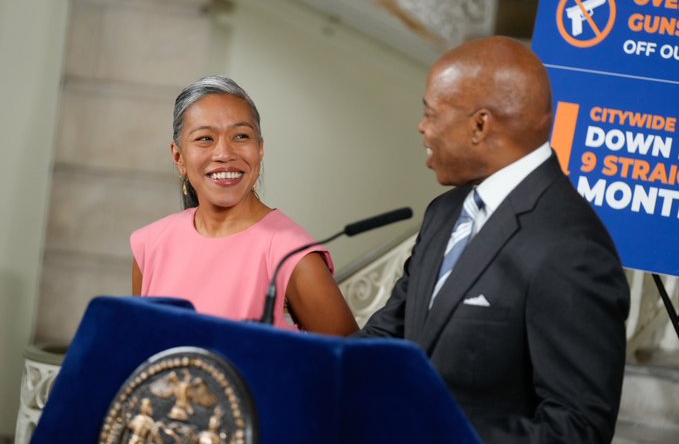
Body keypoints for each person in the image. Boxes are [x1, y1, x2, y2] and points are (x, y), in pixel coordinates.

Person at [357, 36, 630, 443]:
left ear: (480, 125)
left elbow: (577, 428)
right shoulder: (444, 212)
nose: (422, 127)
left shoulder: (572, 249)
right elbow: (388, 339)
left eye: (431, 113)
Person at [131, 76, 358, 336]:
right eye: (205, 138)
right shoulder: (151, 246)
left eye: (241, 136)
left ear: (260, 149)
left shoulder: (293, 255)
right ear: (178, 156)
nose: (224, 154)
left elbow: (355, 367)